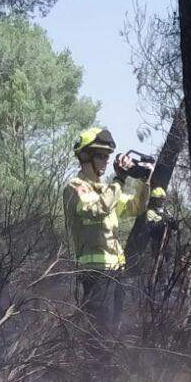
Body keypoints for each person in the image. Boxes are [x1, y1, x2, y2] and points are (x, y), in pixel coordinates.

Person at [63, 127, 151, 339]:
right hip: (95, 273)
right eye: (101, 155)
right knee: (99, 335)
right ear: (85, 156)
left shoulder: (105, 190)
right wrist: (119, 180)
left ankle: (105, 370)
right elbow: (98, 209)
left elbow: (135, 207)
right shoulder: (76, 187)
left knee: (113, 333)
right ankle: (94, 371)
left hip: (115, 271)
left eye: (108, 156)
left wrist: (144, 181)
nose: (105, 161)